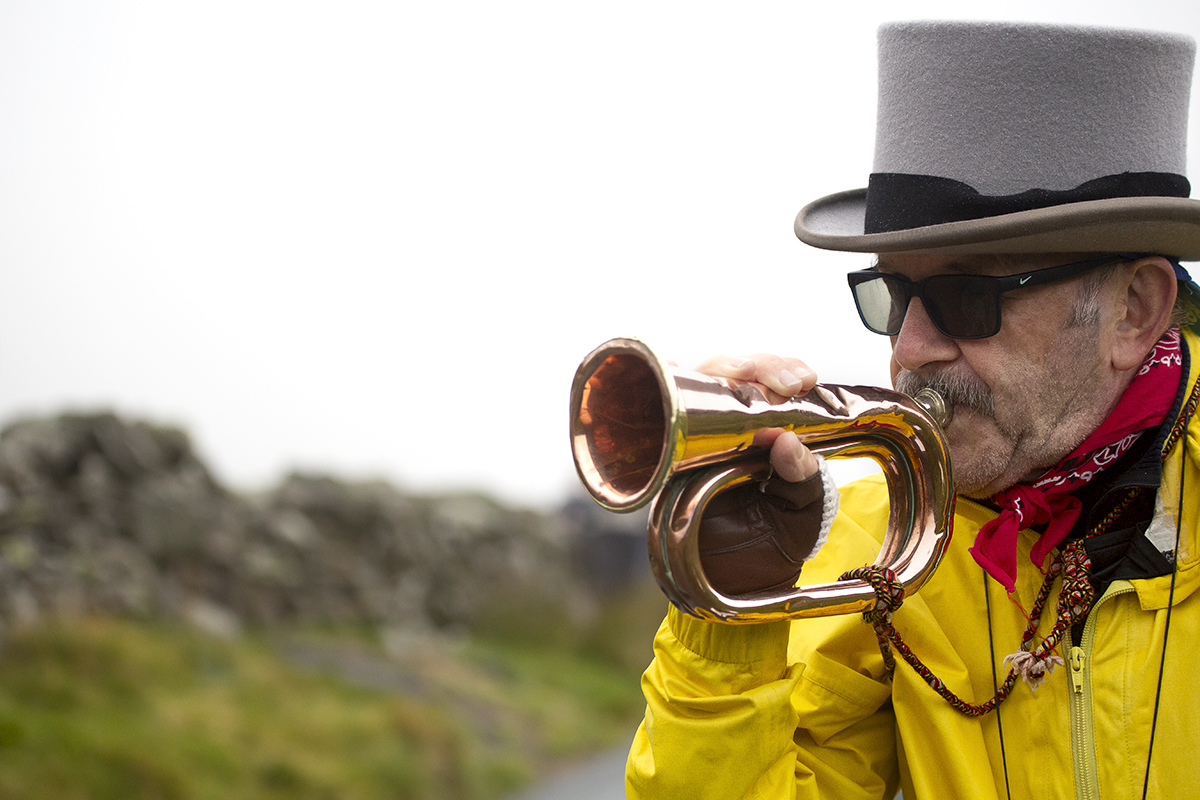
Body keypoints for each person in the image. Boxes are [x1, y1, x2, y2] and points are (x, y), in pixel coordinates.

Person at [625, 20, 1200, 800]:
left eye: (971, 296)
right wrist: (728, 618)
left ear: (1134, 310)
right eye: (894, 295)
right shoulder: (887, 536)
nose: (913, 347)